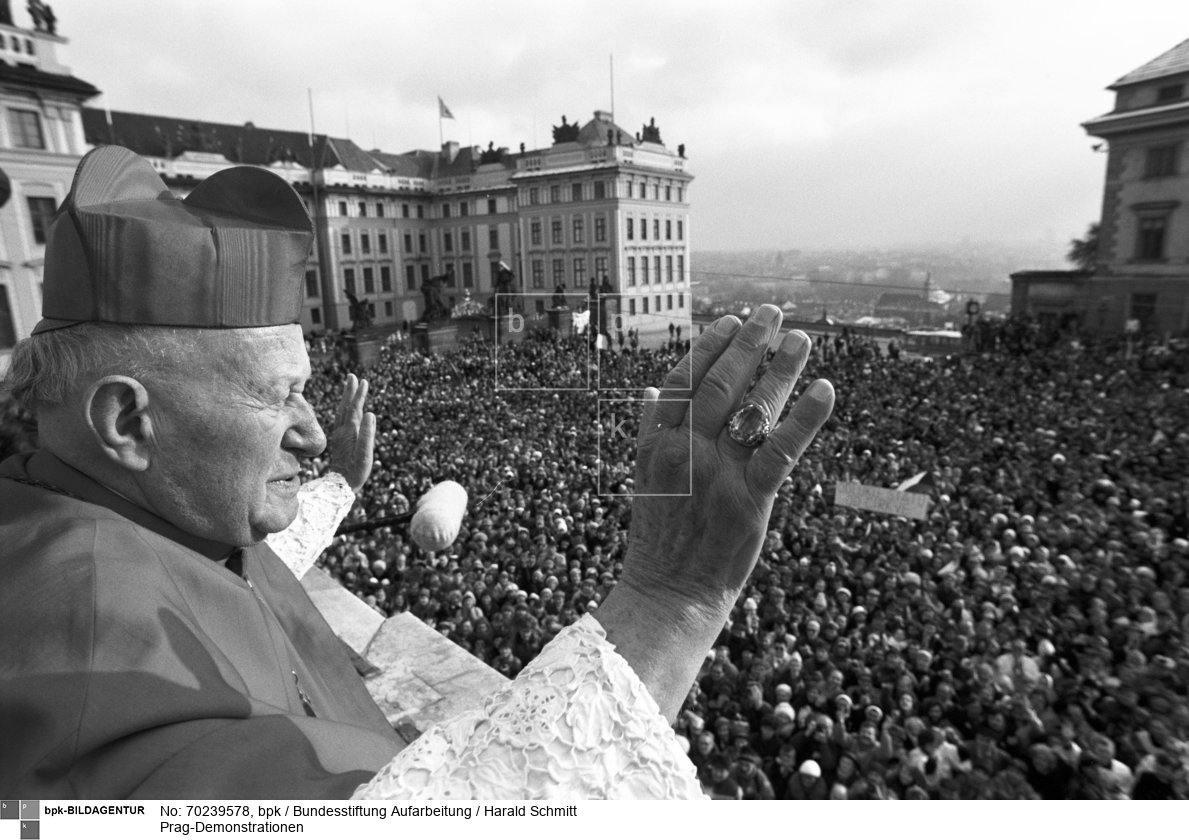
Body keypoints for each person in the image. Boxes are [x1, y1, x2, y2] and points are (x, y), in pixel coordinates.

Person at [0, 147, 835, 799]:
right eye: (278, 395)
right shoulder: (87, 688)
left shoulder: (85, 524)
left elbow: (201, 582)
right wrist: (670, 598)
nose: (311, 431)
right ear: (127, 423)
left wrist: (335, 491)